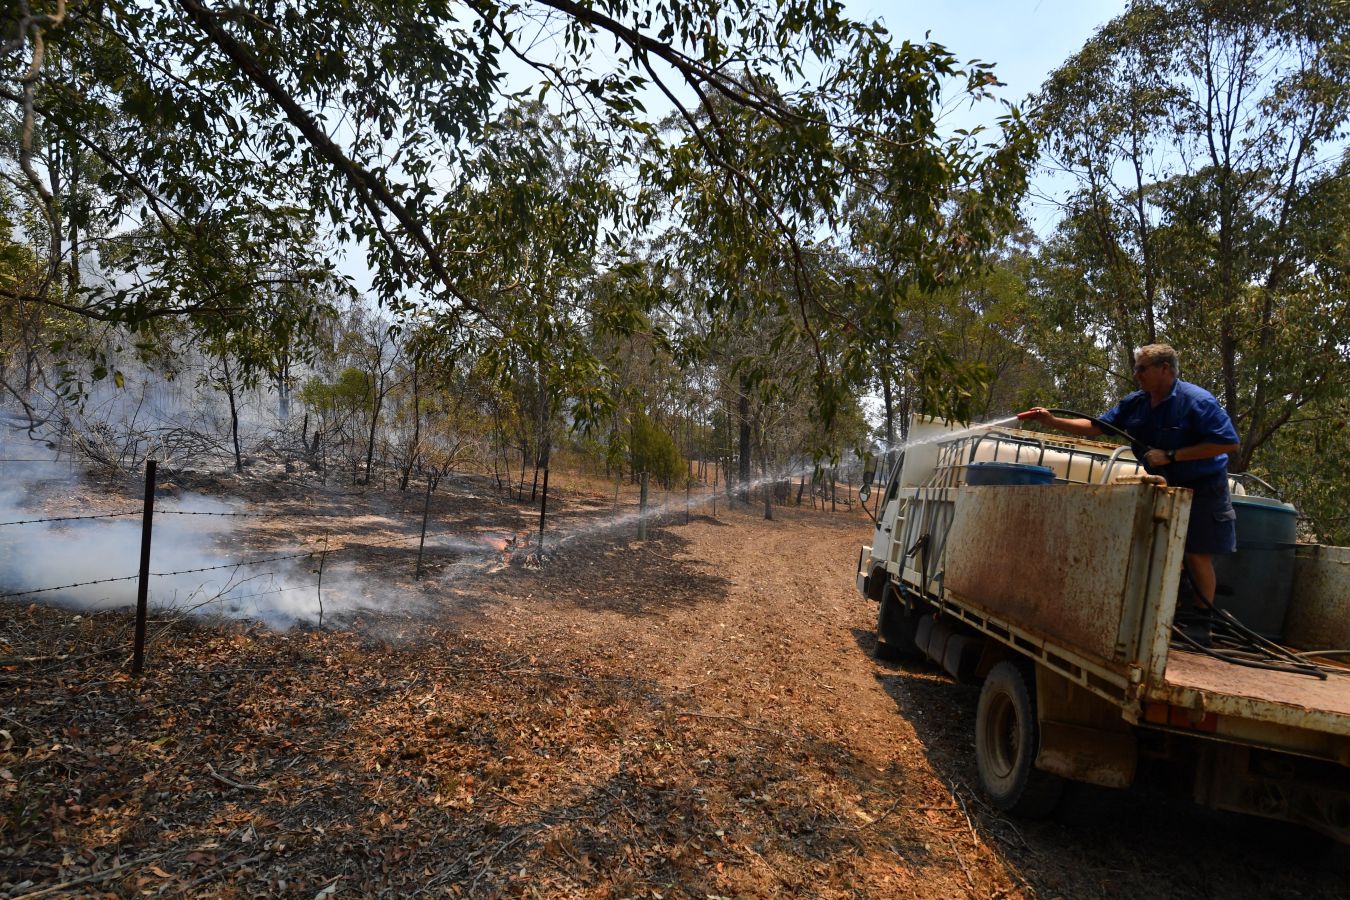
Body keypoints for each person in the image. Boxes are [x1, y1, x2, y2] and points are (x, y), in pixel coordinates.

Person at [1023, 343, 1241, 640]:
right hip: (1165, 486)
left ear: (1165, 369)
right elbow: (1096, 426)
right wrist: (1052, 421)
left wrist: (1172, 455)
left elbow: (1228, 443)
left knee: (1196, 553)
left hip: (1203, 488)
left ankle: (1203, 624)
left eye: (1142, 368)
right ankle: (1162, 614)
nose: (1136, 374)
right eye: (1136, 368)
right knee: (1157, 549)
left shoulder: (1197, 401)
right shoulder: (1136, 403)